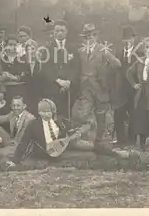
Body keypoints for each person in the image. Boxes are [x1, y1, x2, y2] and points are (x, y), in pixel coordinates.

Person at [73, 23, 121, 155]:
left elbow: (116, 64)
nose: (89, 38)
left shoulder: (102, 49)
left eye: (92, 36)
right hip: (85, 87)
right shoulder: (81, 51)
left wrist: (105, 73)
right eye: (87, 36)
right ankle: (87, 141)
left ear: (96, 36)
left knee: (101, 115)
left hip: (100, 87)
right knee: (84, 114)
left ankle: (99, 141)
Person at [6, 98, 69, 167]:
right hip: (43, 153)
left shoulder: (59, 121)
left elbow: (67, 131)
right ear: (39, 112)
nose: (46, 114)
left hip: (59, 151)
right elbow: (24, 142)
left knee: (77, 142)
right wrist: (15, 160)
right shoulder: (34, 124)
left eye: (48, 111)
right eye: (43, 112)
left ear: (53, 112)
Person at [41, 20, 79, 123]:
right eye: (57, 30)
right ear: (53, 32)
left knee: (67, 114)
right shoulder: (47, 49)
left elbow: (76, 67)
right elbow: (46, 68)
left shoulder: (73, 48)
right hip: (53, 87)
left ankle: (66, 136)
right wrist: (59, 81)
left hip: (69, 88)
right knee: (54, 113)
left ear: (67, 32)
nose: (59, 33)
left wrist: (69, 81)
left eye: (62, 30)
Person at [111, 25, 141, 147]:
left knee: (134, 115)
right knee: (118, 114)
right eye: (126, 39)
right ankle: (121, 140)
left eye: (130, 38)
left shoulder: (139, 53)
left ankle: (132, 141)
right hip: (121, 89)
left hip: (134, 88)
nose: (128, 41)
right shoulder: (118, 52)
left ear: (134, 39)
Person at [0, 34, 30, 113]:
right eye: (10, 45)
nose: (12, 47)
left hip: (20, 90)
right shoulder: (1, 59)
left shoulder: (22, 58)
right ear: (5, 45)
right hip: (5, 91)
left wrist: (14, 77)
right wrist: (2, 76)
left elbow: (27, 74)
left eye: (15, 45)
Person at [23, 40, 44, 113]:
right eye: (28, 49)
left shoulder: (41, 63)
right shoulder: (23, 62)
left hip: (39, 93)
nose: (31, 51)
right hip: (26, 93)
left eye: (32, 49)